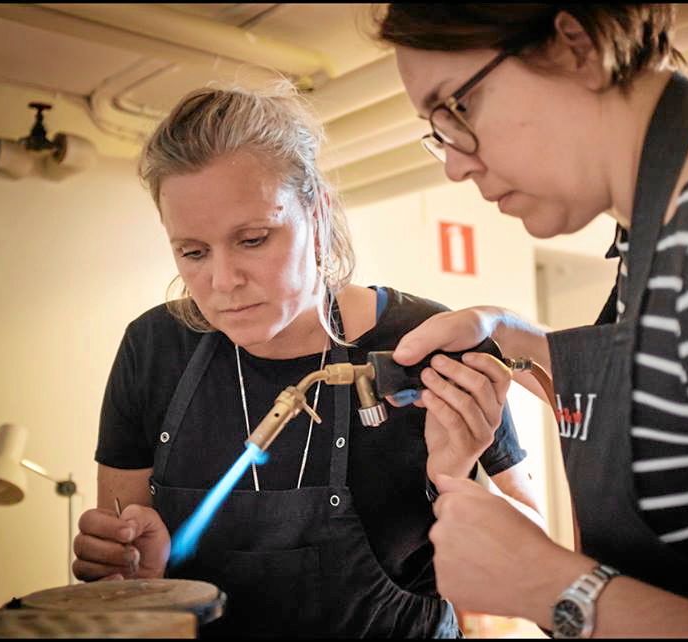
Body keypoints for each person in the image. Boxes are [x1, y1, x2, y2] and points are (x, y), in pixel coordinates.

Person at [374, 3, 688, 639]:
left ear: (577, 45)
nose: (455, 163)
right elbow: (676, 389)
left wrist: (546, 584)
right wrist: (506, 332)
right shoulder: (667, 226)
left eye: (458, 107)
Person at [70, 80, 541, 638]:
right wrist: (132, 571)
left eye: (253, 239)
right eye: (193, 252)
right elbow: (122, 574)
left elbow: (534, 559)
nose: (222, 281)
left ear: (316, 213)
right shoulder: (153, 349)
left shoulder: (426, 340)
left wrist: (453, 477)